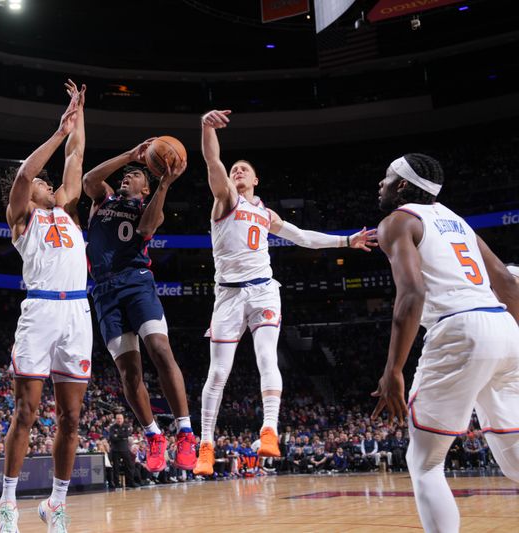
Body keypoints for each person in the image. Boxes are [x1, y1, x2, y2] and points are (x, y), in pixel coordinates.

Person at [195, 109, 377, 475]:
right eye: (235, 169)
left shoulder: (267, 214)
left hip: (263, 290)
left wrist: (346, 240)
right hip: (228, 295)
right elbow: (212, 159)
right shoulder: (225, 199)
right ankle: (205, 445)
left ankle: (270, 431)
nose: (237, 171)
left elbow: (303, 238)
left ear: (257, 179)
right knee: (219, 373)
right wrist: (206, 127)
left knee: (267, 359)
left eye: (244, 169)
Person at [371, 153, 519, 533]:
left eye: (387, 178)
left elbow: (412, 294)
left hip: (460, 330)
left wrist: (393, 370)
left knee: (424, 463)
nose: (380, 185)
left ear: (402, 186)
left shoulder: (397, 221)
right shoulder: (460, 223)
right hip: (504, 327)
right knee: (516, 460)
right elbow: (506, 282)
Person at [0, 80, 88, 533]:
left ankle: (56, 504)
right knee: (26, 410)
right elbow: (28, 175)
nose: (51, 185)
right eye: (45, 185)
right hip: (41, 311)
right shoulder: (21, 216)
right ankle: (8, 503)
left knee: (71, 417)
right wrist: (57, 131)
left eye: (52, 184)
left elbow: (76, 159)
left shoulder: (65, 210)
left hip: (77, 313)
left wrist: (77, 115)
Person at [82, 136, 195, 474]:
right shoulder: (104, 199)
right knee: (129, 374)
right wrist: (130, 154)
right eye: (126, 174)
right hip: (104, 291)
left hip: (135, 281)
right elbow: (89, 180)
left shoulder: (147, 206)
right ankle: (154, 436)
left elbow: (147, 226)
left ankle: (185, 432)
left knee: (160, 349)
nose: (127, 176)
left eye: (135, 175)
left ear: (146, 187)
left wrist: (164, 185)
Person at [108, 413, 136, 488]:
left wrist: (117, 435)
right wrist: (121, 437)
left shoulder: (126, 426)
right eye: (118, 418)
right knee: (116, 468)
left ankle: (130, 482)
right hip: (115, 450)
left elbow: (126, 435)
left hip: (125, 449)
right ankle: (117, 484)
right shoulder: (112, 427)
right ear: (115, 419)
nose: (119, 420)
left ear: (123, 419)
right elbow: (112, 438)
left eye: (120, 418)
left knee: (129, 466)